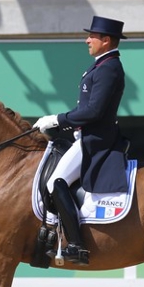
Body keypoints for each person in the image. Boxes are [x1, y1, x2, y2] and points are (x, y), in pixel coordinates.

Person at [32, 16, 130, 265]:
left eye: (92, 36)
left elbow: (94, 111)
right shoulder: (101, 64)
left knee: (56, 182)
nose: (87, 40)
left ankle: (77, 245)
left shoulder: (109, 67)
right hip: (85, 135)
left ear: (105, 40)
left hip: (95, 140)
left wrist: (58, 119)